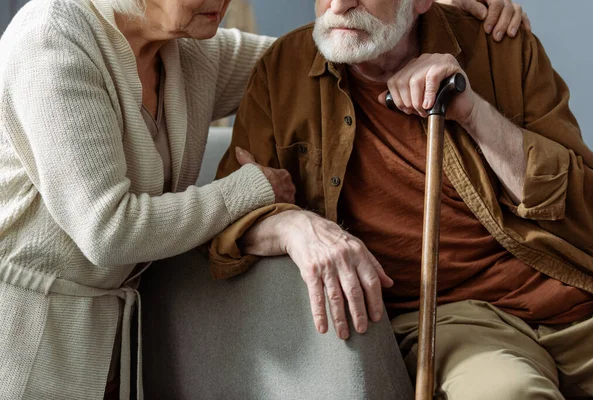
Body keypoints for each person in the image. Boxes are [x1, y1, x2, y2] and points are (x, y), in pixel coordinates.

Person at [0, 0, 527, 398]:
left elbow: (331, 51)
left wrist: (436, 14)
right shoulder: (54, 38)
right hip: (23, 338)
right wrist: (250, 191)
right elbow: (108, 230)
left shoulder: (189, 52)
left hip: (117, 337)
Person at [210, 0, 593, 399]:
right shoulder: (282, 71)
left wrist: (473, 114)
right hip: (457, 320)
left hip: (574, 286)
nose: (340, 5)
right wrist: (293, 225)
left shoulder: (498, 43)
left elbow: (589, 210)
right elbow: (229, 224)